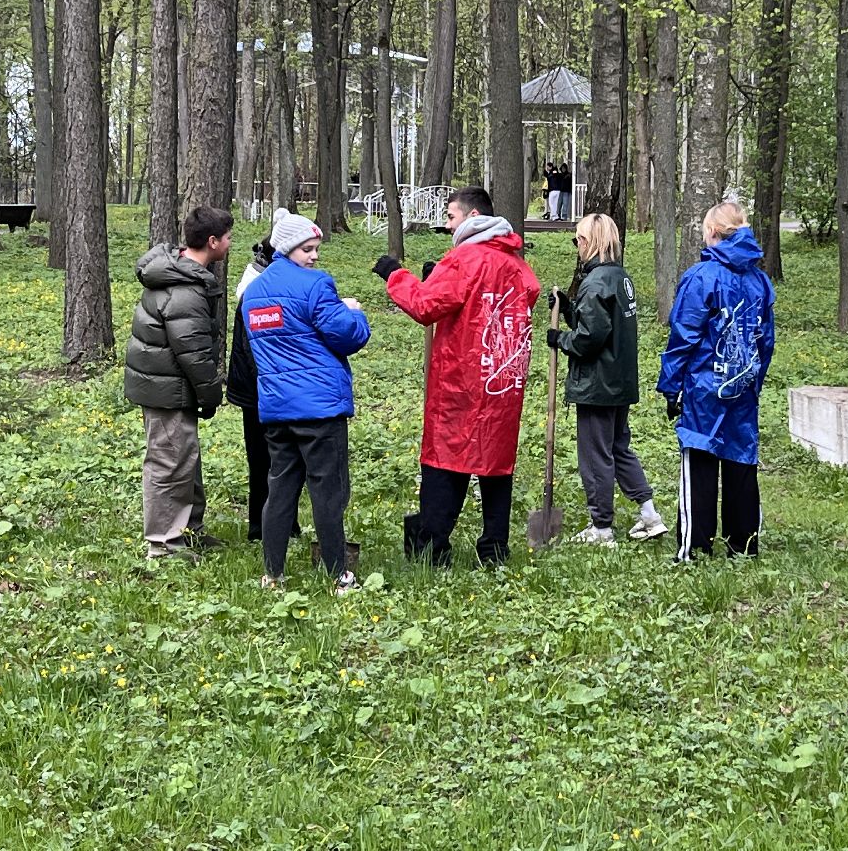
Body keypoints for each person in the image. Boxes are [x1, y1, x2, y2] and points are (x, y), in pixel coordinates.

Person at [373, 186, 541, 567]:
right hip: (501, 378)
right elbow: (529, 291)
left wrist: (395, 274)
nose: (448, 225)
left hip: (460, 380)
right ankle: (494, 548)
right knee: (496, 463)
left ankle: (433, 544)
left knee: (445, 459)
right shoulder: (513, 261)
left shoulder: (466, 259)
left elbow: (424, 304)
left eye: (451, 217)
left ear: (473, 218)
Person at [244, 208, 371, 592]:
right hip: (319, 408)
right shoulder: (315, 286)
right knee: (327, 492)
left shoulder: (253, 293)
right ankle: (339, 574)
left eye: (316, 249)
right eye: (307, 249)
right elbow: (348, 336)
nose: (314, 256)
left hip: (277, 408)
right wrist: (355, 312)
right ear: (288, 248)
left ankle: (273, 573)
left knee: (280, 489)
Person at [658, 202, 776, 561]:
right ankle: (743, 544)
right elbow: (765, 340)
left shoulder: (701, 277)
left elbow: (684, 336)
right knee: (741, 459)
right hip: (742, 383)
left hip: (705, 386)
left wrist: (670, 386)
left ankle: (694, 546)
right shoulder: (759, 280)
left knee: (700, 457)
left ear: (712, 233)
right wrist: (755, 379)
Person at [546, 213, 668, 545]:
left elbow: (590, 338)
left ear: (592, 242)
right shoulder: (619, 278)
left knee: (595, 455)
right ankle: (649, 513)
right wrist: (568, 309)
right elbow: (599, 323)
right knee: (618, 447)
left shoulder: (596, 281)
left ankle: (601, 527)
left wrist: (561, 340)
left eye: (579, 239)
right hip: (619, 380)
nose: (577, 246)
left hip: (598, 384)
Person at [123, 206, 233, 559]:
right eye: (228, 238)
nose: (231, 244)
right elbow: (194, 353)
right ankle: (164, 544)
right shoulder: (184, 288)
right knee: (168, 463)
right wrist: (211, 393)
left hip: (169, 385)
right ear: (212, 242)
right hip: (166, 389)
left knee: (185, 459)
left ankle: (189, 531)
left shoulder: (182, 274)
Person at [227, 235, 299, 543]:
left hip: (270, 387)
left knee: (282, 459)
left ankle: (283, 523)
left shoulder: (267, 283)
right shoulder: (257, 290)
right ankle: (261, 525)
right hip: (260, 389)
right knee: (265, 459)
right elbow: (254, 349)